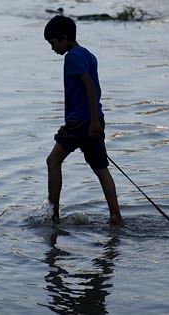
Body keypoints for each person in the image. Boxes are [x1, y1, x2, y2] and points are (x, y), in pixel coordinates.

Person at [44, 15, 123, 225]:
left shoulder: (72, 57)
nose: (53, 48)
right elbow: (97, 88)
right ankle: (115, 216)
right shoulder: (89, 55)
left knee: (53, 161)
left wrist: (91, 122)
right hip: (93, 119)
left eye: (53, 43)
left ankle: (53, 216)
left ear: (63, 37)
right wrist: (96, 119)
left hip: (80, 122)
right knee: (100, 167)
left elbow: (88, 84)